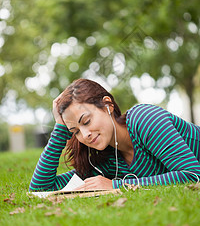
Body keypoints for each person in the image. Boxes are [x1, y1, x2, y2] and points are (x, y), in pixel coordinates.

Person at [29, 78, 200, 192]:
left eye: (86, 121)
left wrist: (116, 185)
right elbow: (40, 188)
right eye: (75, 131)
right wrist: (60, 128)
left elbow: (192, 174)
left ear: (107, 105)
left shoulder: (145, 118)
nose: (85, 135)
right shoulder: (107, 162)